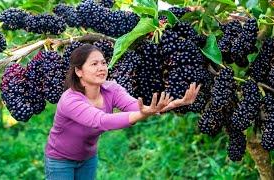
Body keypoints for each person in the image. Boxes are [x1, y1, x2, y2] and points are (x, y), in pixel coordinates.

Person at [44, 44, 201, 180]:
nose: (101, 68)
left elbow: (140, 108)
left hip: (87, 158)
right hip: (60, 160)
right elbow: (102, 121)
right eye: (94, 64)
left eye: (103, 63)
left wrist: (177, 103)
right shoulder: (70, 100)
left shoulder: (111, 89)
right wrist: (142, 114)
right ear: (79, 71)